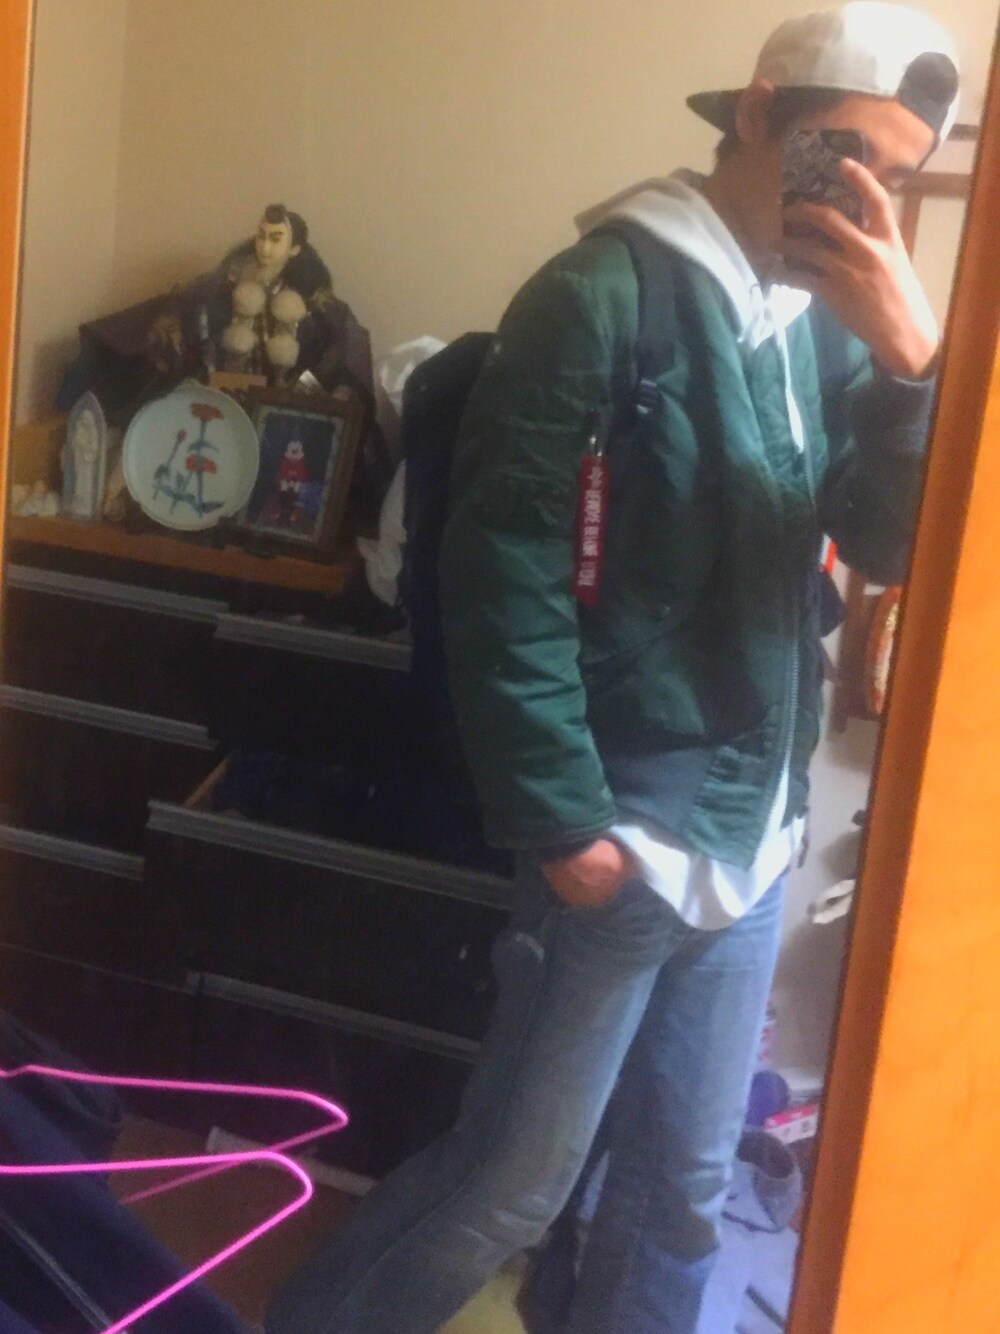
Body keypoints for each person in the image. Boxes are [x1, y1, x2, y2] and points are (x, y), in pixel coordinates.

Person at [266, 5, 959, 1332]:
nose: (863, 195)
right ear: (758, 111)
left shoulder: (824, 321)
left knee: (681, 1188)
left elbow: (881, 539)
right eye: (846, 151)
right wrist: (564, 819)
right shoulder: (597, 294)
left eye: (895, 173)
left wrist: (909, 369)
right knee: (511, 1186)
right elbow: (501, 574)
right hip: (622, 832)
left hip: (752, 836)